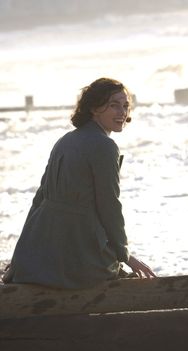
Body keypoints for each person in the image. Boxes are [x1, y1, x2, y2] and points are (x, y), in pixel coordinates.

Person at [3, 77, 156, 288]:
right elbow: (109, 205)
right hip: (77, 255)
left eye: (125, 106)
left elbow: (39, 200)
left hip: (39, 252)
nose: (122, 112)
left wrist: (22, 255)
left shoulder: (65, 140)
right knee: (116, 275)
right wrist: (125, 255)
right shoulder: (105, 146)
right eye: (113, 105)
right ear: (94, 108)